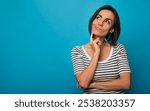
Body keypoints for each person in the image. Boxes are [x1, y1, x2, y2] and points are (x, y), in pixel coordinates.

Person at [71, 5, 131, 94]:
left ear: (111, 29)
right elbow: (83, 83)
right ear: (92, 20)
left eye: (107, 21)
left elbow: (125, 83)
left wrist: (93, 84)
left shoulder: (119, 49)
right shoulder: (77, 51)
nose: (100, 23)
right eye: (98, 17)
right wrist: (96, 53)